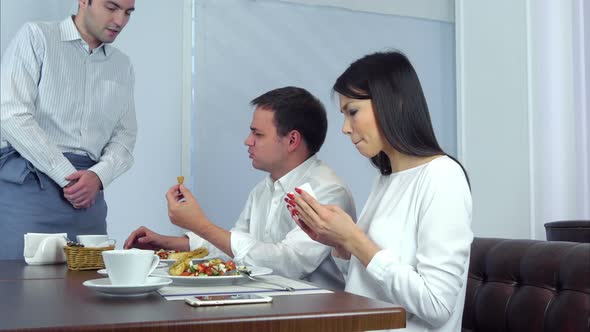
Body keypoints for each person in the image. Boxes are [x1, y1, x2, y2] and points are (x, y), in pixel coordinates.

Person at [288, 51, 473, 331]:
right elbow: (366, 283)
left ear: (394, 103)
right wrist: (339, 243)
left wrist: (355, 239)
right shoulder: (386, 179)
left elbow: (437, 305)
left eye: (352, 112)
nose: (345, 128)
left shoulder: (442, 176)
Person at [125, 87, 356, 289]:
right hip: (266, 304)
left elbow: (288, 264)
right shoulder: (263, 189)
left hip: (315, 317)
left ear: (292, 140)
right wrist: (165, 243)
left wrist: (200, 224)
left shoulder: (327, 191)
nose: (248, 141)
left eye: (258, 134)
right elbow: (236, 247)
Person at [0, 0, 137, 260]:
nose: (120, 21)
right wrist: (69, 177)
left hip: (88, 200)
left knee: (87, 290)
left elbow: (125, 135)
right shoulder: (37, 37)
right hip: (31, 188)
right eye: (111, 7)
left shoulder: (122, 65)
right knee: (21, 291)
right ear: (83, 1)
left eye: (128, 12)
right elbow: (11, 114)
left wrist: (98, 177)